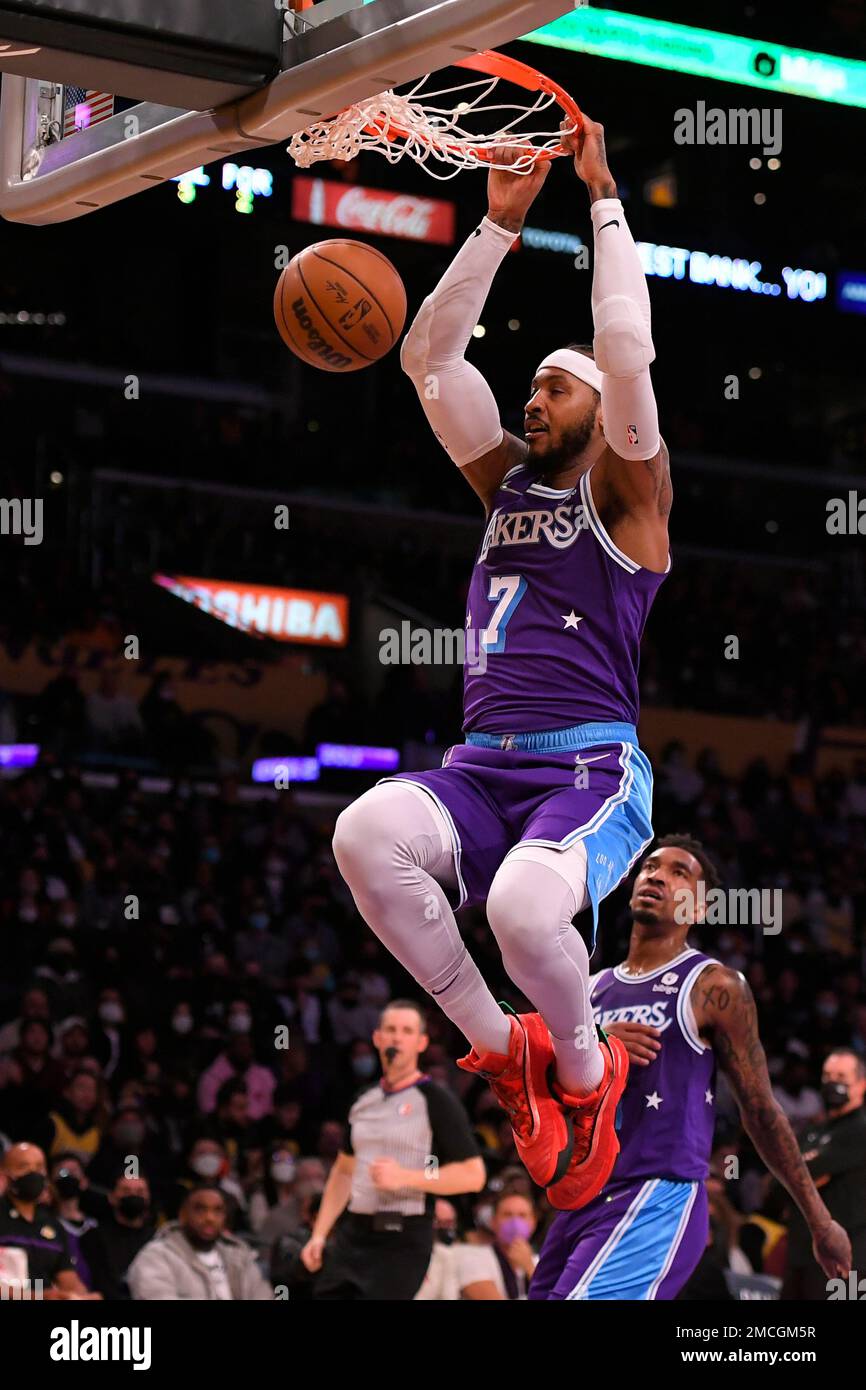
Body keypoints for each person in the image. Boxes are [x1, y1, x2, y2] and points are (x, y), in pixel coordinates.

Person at [333, 116, 672, 1210]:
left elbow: (622, 346)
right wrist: (495, 225)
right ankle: (504, 1057)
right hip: (483, 765)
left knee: (527, 910)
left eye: (551, 388)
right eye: (529, 384)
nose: (533, 397)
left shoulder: (626, 497)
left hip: (589, 768)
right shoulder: (503, 483)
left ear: (596, 410)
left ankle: (587, 1069)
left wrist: (601, 196)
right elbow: (428, 358)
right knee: (363, 833)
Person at [529, 838, 851, 1299]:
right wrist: (597, 1044)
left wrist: (820, 1221)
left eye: (679, 872)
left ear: (700, 909)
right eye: (650, 867)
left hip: (658, 1191)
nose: (657, 876)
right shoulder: (590, 990)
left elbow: (760, 1111)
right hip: (582, 1196)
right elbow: (548, 1094)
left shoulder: (714, 986)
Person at [302, 1000, 485, 1300]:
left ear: (422, 1042)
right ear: (377, 1037)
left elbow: (472, 1175)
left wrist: (406, 1178)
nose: (397, 1037)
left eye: (406, 1031)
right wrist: (319, 1234)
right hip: (354, 1232)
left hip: (404, 1238)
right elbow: (344, 1171)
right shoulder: (363, 1099)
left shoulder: (436, 1100)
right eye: (390, 1029)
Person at [782, 1048, 866, 1299]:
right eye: (827, 1076)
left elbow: (804, 1172)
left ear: (861, 1084)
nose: (833, 1083)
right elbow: (784, 1175)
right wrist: (804, 1175)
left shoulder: (861, 1129)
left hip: (848, 1257)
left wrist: (802, 1171)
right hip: (801, 1252)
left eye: (841, 1077)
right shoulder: (812, 1131)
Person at [127, 1184, 273, 1300]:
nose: (210, 1218)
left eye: (217, 1211)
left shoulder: (240, 1256)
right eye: (200, 1209)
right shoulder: (156, 1256)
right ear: (182, 1215)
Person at [0, 1142, 100, 1300]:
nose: (33, 1173)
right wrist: (38, 1296)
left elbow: (69, 1281)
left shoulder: (53, 1226)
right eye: (23, 1166)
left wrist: (84, 1296)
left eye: (39, 1167)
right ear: (4, 1174)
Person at [79, 1175, 157, 1300]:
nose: (133, 1195)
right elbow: (100, 1283)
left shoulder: (158, 1239)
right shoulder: (93, 1237)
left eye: (140, 1191)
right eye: (126, 1191)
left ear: (148, 1198)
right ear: (112, 1197)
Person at [456, 1188, 539, 1299]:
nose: (515, 1222)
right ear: (493, 1221)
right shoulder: (474, 1257)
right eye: (507, 1215)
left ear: (533, 1222)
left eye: (522, 1215)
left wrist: (530, 1268)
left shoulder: (540, 1263)